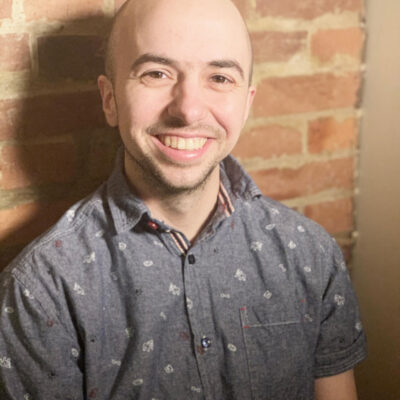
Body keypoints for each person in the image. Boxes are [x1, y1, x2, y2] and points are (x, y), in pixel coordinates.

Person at [0, 0, 367, 399]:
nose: (188, 110)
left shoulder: (311, 255)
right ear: (109, 99)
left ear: (246, 104)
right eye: (156, 73)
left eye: (220, 78)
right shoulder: (42, 290)